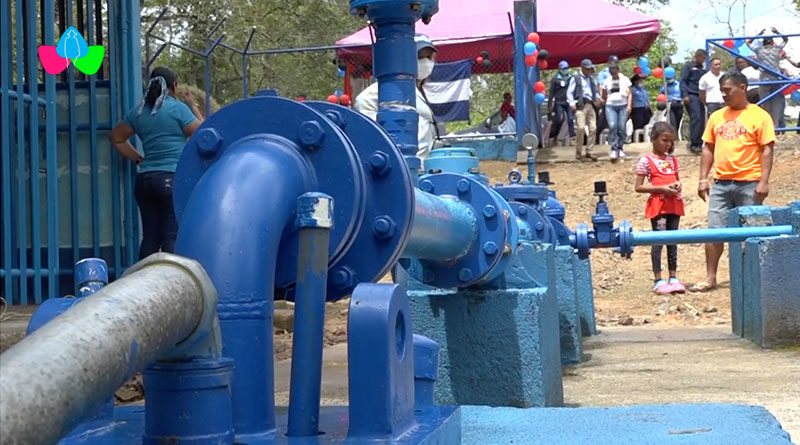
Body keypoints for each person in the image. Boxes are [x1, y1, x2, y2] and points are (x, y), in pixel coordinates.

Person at [108, 66, 203, 259]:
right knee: (171, 236)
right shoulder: (177, 108)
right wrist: (193, 106)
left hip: (144, 181)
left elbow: (116, 137)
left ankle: (142, 284)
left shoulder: (138, 112)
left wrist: (138, 158)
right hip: (170, 179)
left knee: (150, 238)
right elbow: (203, 133)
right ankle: (172, 285)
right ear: (173, 86)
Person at [692, 72, 775, 292]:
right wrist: (703, 179)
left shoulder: (760, 116)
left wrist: (764, 181)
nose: (724, 94)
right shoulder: (717, 116)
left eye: (728, 90)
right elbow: (708, 147)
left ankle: (757, 278)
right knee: (715, 230)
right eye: (722, 90)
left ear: (743, 87)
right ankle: (711, 277)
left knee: (754, 231)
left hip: (750, 182)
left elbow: (767, 148)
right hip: (721, 183)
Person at [355, 33, 437, 164]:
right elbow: (364, 108)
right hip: (398, 164)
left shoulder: (420, 91)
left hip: (421, 164)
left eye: (428, 57)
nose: (425, 62)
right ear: (405, 58)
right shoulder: (377, 92)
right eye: (419, 57)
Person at [635, 122, 686, 295]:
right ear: (654, 139)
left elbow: (676, 178)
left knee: (673, 240)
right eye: (664, 140)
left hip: (674, 204)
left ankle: (673, 277)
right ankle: (658, 279)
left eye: (670, 141)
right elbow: (639, 187)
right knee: (658, 241)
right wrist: (661, 189)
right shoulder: (646, 160)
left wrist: (677, 185)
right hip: (659, 206)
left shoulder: (672, 160)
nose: (667, 145)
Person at [747, 27, 789, 126]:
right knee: (776, 106)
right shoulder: (777, 49)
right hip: (776, 79)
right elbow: (786, 39)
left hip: (764, 80)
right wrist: (777, 32)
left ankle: (766, 127)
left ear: (763, 43)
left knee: (765, 106)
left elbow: (748, 42)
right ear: (772, 42)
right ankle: (775, 128)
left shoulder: (759, 50)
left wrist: (759, 33)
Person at [567, 59, 602, 161]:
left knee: (593, 128)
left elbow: (595, 91)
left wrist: (598, 98)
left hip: (590, 104)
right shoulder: (576, 78)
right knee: (581, 128)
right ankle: (578, 151)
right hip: (580, 105)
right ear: (582, 68)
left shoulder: (591, 79)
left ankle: (589, 151)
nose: (589, 71)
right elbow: (569, 92)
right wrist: (572, 103)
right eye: (587, 69)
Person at [600, 59, 632, 160]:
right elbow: (604, 95)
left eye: (614, 69)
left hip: (623, 105)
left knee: (622, 126)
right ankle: (614, 148)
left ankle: (620, 147)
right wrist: (603, 104)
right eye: (611, 70)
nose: (613, 71)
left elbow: (630, 94)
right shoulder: (607, 81)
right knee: (613, 125)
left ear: (618, 69)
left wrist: (629, 106)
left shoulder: (625, 79)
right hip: (611, 106)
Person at [681, 49, 708, 153]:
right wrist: (685, 95)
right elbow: (683, 81)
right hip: (691, 95)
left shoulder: (703, 69)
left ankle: (700, 142)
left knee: (701, 119)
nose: (703, 60)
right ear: (698, 56)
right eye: (702, 57)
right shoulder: (689, 66)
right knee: (695, 118)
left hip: (701, 95)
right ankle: (694, 143)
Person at [548, 60, 575, 144]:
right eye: (563, 68)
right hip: (559, 102)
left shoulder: (571, 78)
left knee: (570, 119)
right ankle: (555, 135)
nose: (565, 70)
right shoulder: (555, 79)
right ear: (559, 69)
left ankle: (572, 137)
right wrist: (550, 104)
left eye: (566, 68)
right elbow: (552, 92)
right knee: (559, 119)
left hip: (568, 102)